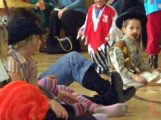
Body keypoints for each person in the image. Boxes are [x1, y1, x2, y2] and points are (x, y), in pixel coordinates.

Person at [5, 17, 129, 120]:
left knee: (62, 93)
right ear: (25, 42)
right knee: (53, 114)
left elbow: (33, 90)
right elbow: (20, 95)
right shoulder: (12, 61)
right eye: (37, 38)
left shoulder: (29, 61)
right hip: (21, 109)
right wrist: (49, 102)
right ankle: (87, 118)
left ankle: (93, 107)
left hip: (32, 102)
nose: (41, 42)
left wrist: (54, 96)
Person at [8, 7, 136, 105]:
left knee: (72, 59)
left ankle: (109, 91)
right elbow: (20, 94)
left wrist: (41, 82)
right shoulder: (11, 58)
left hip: (35, 87)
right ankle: (105, 98)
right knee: (66, 99)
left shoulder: (20, 52)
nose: (40, 38)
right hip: (30, 98)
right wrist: (43, 84)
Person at [109, 11, 161, 88]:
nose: (135, 31)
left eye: (138, 28)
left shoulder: (136, 43)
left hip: (133, 73)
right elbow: (120, 69)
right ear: (123, 30)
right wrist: (135, 77)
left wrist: (151, 69)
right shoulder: (119, 47)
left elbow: (139, 63)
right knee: (150, 77)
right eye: (131, 28)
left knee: (155, 73)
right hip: (122, 79)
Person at [78, 0, 122, 74]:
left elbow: (116, 24)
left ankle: (110, 67)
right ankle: (99, 67)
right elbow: (87, 23)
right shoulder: (90, 9)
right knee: (94, 54)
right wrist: (83, 29)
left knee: (106, 53)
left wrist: (111, 34)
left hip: (106, 39)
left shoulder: (111, 10)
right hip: (93, 38)